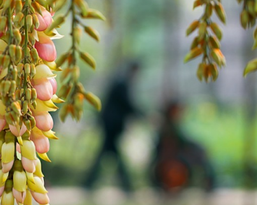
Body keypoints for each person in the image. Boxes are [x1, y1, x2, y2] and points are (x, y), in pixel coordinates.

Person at [82, 62, 142, 196]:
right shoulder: (122, 84)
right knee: (111, 154)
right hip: (112, 125)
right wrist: (142, 114)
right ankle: (127, 186)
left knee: (108, 154)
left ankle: (89, 184)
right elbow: (128, 104)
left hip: (110, 125)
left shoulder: (121, 82)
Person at [148, 99, 215, 195]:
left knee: (201, 153)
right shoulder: (168, 128)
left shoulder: (170, 125)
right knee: (202, 155)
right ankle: (210, 184)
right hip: (175, 156)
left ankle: (208, 185)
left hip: (175, 155)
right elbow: (181, 142)